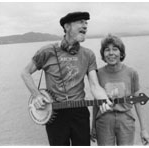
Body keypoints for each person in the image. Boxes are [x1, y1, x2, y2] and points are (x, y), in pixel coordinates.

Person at [21, 11, 112, 146]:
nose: (85, 25)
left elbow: (94, 85)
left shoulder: (88, 55)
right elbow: (25, 72)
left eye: (86, 23)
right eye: (81, 22)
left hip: (79, 112)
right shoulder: (47, 51)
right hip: (55, 113)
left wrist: (104, 99)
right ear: (67, 26)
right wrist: (36, 95)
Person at [91, 34, 149, 146]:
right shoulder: (98, 74)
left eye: (115, 49)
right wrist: (93, 126)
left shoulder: (131, 73)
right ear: (103, 54)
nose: (111, 53)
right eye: (107, 50)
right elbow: (96, 103)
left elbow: (137, 101)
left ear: (121, 53)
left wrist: (143, 129)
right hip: (104, 121)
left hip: (126, 120)